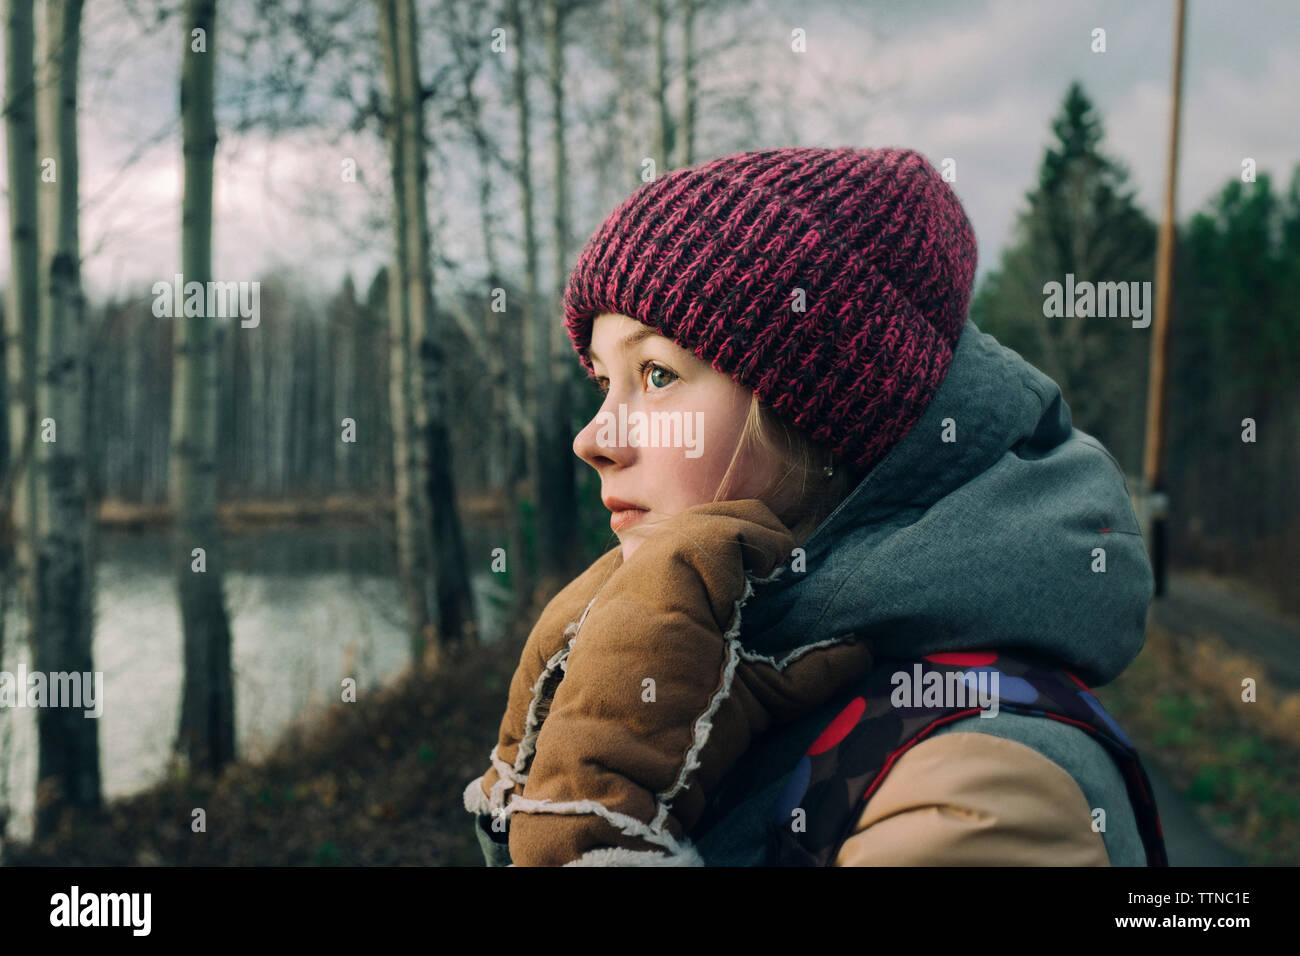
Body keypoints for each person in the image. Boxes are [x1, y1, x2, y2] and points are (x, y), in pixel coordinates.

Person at [463, 146, 1166, 866]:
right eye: (604, 383)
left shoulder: (978, 793)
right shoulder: (714, 678)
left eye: (657, 373)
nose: (592, 439)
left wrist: (591, 835)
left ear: (824, 419)